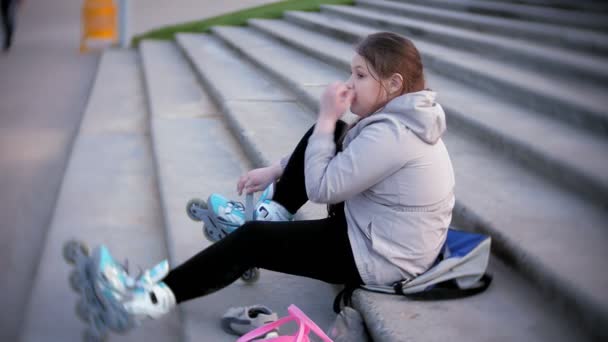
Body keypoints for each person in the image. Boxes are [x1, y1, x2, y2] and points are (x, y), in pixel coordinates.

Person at [72, 31, 456, 334]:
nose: (348, 83)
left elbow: (324, 187)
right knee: (335, 131)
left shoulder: (394, 135)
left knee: (254, 239)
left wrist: (325, 118)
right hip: (375, 231)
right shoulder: (397, 119)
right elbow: (347, 156)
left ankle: (143, 302)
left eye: (359, 75)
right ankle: (275, 209)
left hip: (380, 257)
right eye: (350, 72)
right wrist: (277, 169)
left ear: (392, 84)